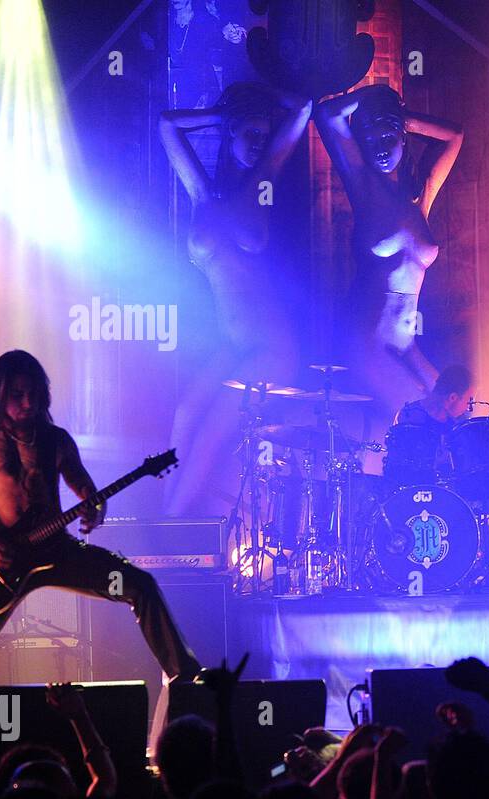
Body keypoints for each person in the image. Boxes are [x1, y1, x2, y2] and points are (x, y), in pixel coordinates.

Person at [0, 351, 203, 772]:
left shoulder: (56, 439)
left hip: (58, 552)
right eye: (18, 395)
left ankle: (188, 681)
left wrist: (93, 509)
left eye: (34, 395)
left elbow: (85, 488)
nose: (28, 404)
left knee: (140, 585)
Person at [159, 81, 313, 514]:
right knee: (186, 412)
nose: (259, 143)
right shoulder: (202, 196)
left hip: (270, 346)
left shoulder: (265, 180)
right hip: (233, 346)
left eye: (265, 136)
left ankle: (174, 531)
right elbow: (167, 125)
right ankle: (165, 516)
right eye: (250, 134)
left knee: (210, 432)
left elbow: (302, 105)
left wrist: (255, 109)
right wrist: (226, 114)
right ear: (230, 134)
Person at [313, 85, 463, 464]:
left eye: (387, 134)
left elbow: (455, 135)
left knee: (461, 413)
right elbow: (328, 115)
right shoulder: (362, 185)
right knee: (418, 416)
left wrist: (398, 113)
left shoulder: (421, 198)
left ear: (402, 134)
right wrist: (376, 98)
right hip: (368, 340)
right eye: (369, 137)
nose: (379, 146)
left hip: (405, 344)